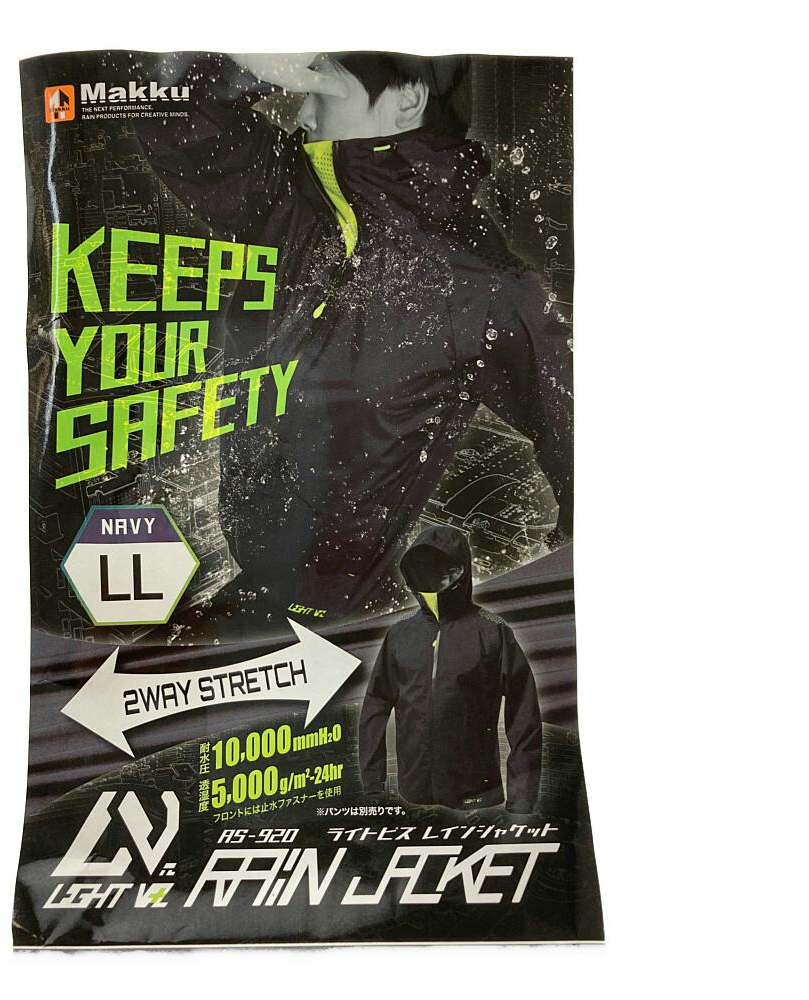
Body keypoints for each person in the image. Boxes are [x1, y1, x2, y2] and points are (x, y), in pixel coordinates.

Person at [133, 52, 573, 627]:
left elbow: (578, 437)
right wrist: (249, 68)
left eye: (324, 88)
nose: (302, 113)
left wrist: (542, 597)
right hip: (253, 586)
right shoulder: (288, 196)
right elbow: (170, 116)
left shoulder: (480, 283)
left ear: (407, 101)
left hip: (338, 620)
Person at [358, 524, 542, 811]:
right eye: (424, 568)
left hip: (476, 794)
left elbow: (523, 712)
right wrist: (372, 779)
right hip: (413, 790)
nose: (433, 577)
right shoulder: (400, 635)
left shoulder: (491, 631)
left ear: (461, 572)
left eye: (443, 568)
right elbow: (376, 702)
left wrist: (522, 797)